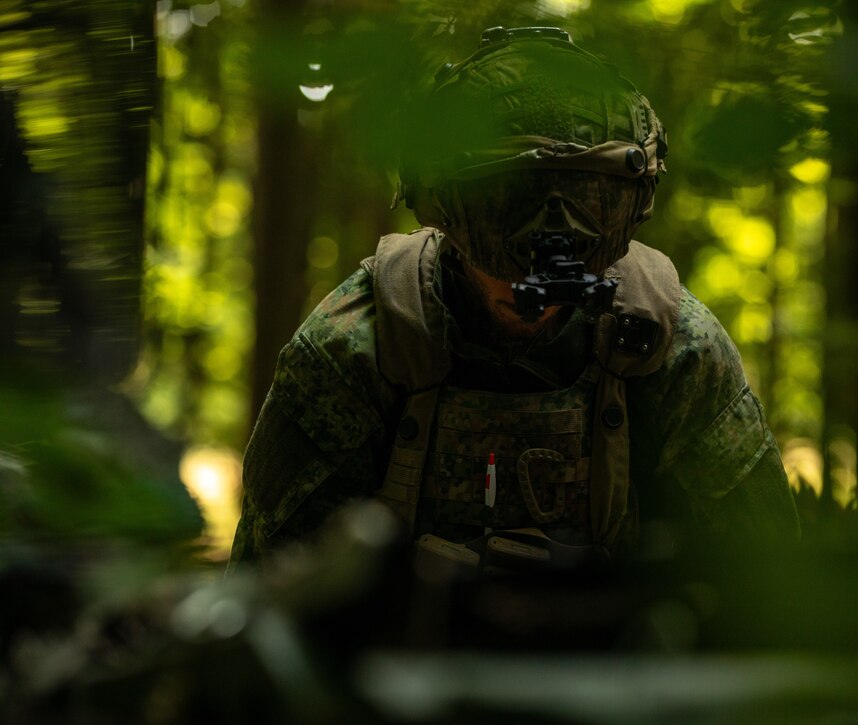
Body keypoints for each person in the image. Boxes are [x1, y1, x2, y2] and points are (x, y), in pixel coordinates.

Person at [229, 27, 798, 584]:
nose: (545, 261)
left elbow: (768, 585)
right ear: (446, 206)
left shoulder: (669, 346)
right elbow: (266, 594)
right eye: (513, 211)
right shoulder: (358, 347)